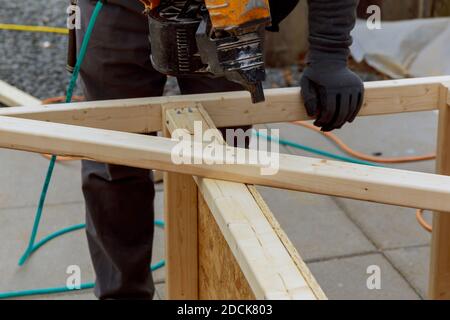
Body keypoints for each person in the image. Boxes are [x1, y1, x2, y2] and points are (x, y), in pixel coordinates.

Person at [76, 0, 363, 299]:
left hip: (227, 10)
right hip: (118, 7)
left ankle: (220, 295)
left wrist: (330, 53)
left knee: (226, 162)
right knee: (114, 157)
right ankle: (122, 295)